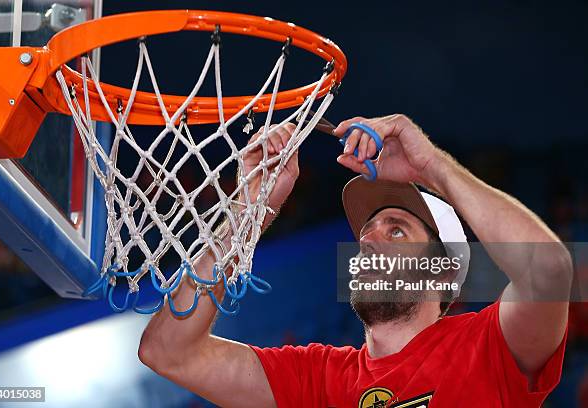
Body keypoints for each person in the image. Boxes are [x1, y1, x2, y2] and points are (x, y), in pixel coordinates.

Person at [137, 114, 572, 407]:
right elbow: (167, 351)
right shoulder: (319, 376)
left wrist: (431, 166)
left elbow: (549, 270)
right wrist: (248, 212)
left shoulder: (484, 348)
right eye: (366, 234)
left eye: (396, 230)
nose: (371, 241)